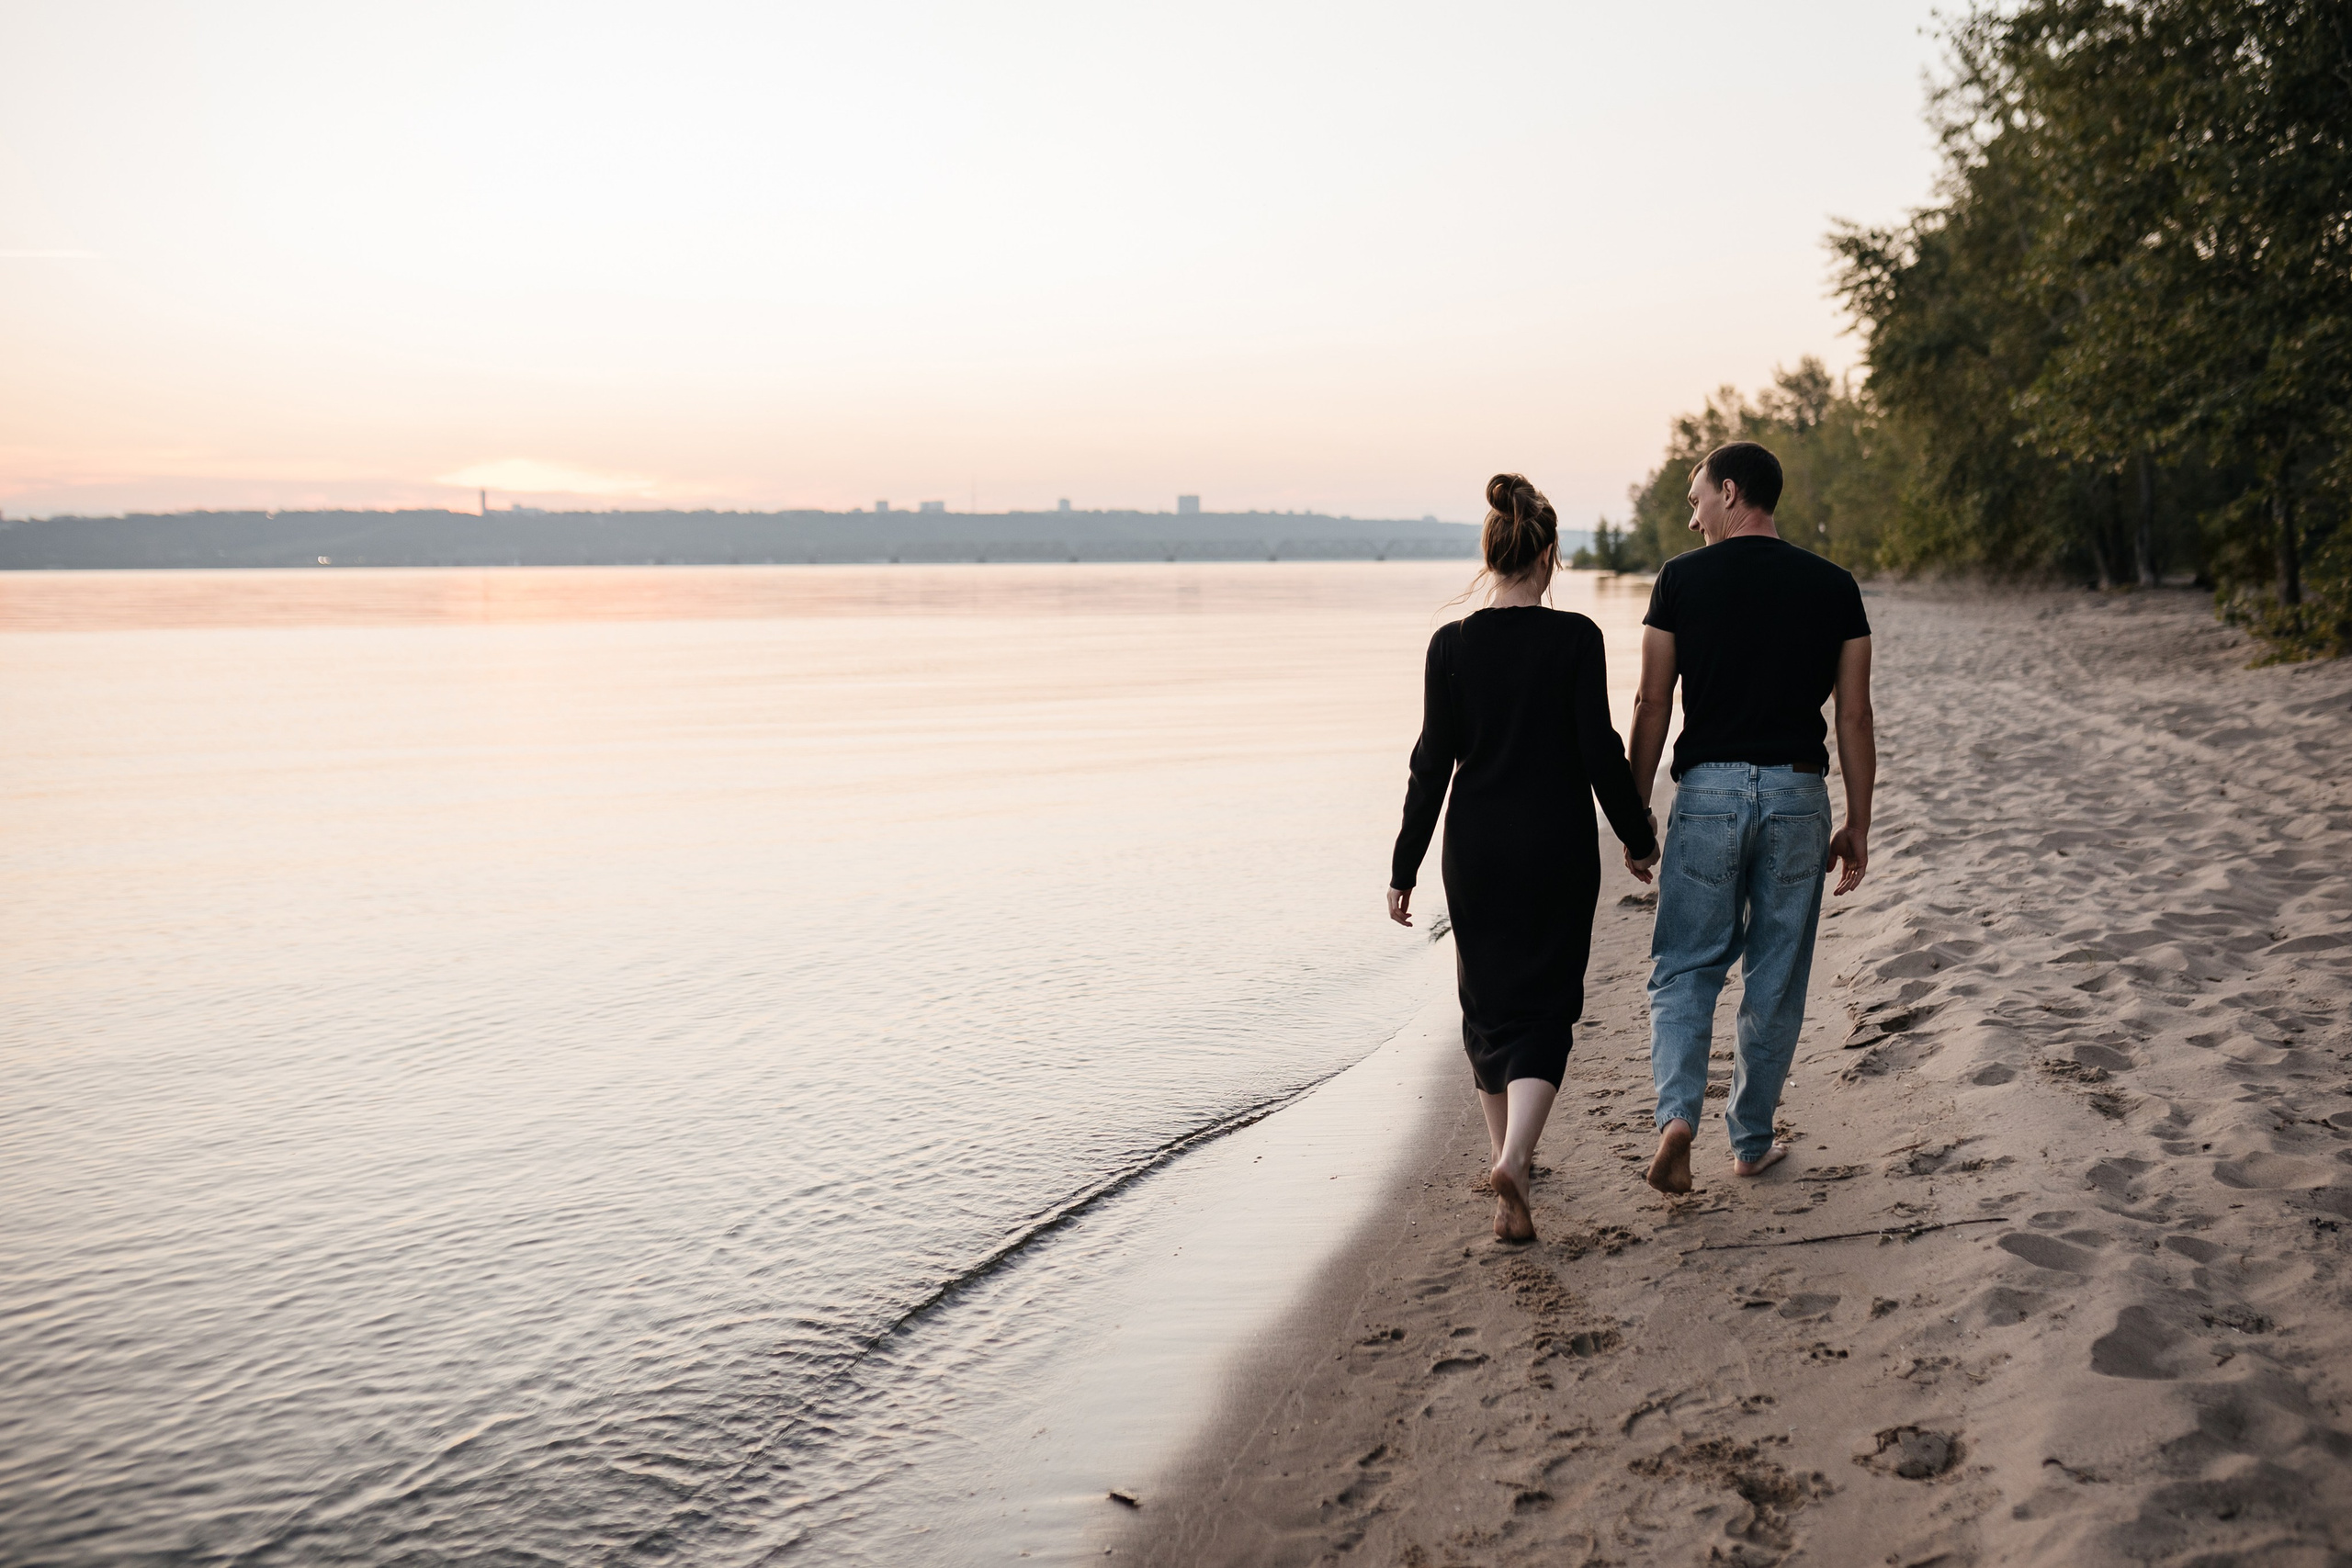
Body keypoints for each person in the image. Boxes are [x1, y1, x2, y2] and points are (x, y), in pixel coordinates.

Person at [1389, 473, 1660, 1243]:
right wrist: (1638, 835)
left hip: (1474, 848)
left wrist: (1404, 867)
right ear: (1548, 555)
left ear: (1493, 555)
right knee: (1546, 1005)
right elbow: (1599, 750)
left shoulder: (1451, 645)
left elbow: (1429, 765)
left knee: (1487, 1005)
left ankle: (1511, 1180)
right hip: (1555, 843)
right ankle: (1514, 1160)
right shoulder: (1576, 638)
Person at [1625, 441, 1875, 1194]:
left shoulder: (1679, 580)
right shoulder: (1834, 585)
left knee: (1684, 966)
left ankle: (1677, 1118)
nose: (1692, 516)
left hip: (1707, 795)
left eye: (1696, 498)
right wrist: (1858, 822)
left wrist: (1636, 814)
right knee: (1776, 973)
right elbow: (1855, 716)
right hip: (1799, 796)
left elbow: (1651, 702)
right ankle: (1751, 1140)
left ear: (1730, 492)